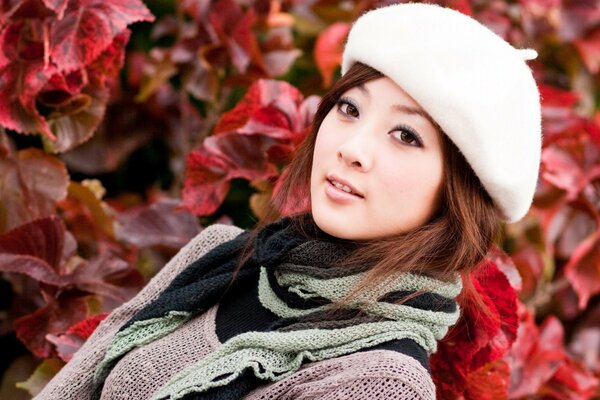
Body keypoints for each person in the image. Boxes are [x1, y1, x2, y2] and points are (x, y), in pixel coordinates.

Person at [35, 3, 541, 399]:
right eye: (349, 108)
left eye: (406, 135)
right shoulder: (220, 257)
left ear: (456, 194)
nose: (351, 147)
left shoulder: (381, 381)